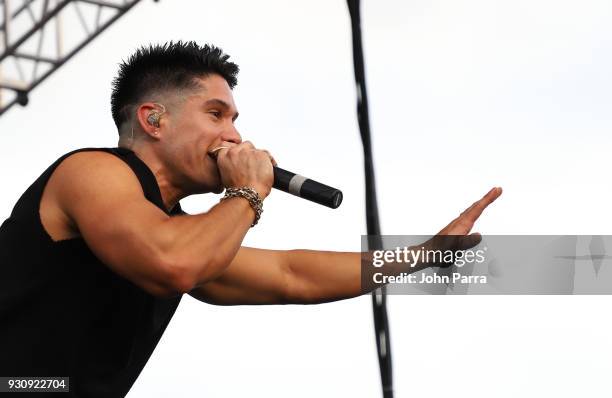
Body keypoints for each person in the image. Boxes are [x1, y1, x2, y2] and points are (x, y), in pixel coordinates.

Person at [0, 41, 502, 397]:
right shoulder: (93, 172)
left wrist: (420, 256)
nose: (235, 136)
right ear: (154, 120)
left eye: (235, 119)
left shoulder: (179, 230)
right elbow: (172, 264)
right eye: (217, 115)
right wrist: (246, 193)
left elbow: (291, 274)